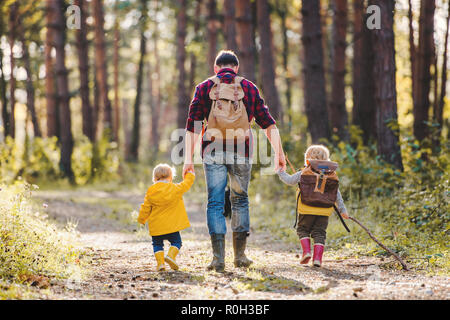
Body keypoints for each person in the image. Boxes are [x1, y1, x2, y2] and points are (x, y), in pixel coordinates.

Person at [183, 50, 286, 272]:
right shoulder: (248, 87)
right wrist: (279, 153)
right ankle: (240, 256)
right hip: (242, 151)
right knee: (240, 200)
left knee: (215, 203)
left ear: (215, 68)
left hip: (212, 151)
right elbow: (267, 123)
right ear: (236, 68)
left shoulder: (204, 88)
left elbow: (193, 126)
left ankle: (218, 259)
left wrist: (187, 159)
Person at [277, 145, 349, 267]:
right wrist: (343, 210)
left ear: (307, 160)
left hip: (306, 209)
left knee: (302, 230)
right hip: (324, 211)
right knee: (320, 233)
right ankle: (317, 259)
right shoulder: (331, 175)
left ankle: (306, 252)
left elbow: (289, 181)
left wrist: (280, 171)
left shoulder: (303, 173)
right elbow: (337, 194)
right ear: (327, 160)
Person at [137, 164, 195, 271]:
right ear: (171, 177)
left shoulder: (151, 191)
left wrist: (141, 219)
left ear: (154, 178)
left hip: (157, 227)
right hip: (172, 226)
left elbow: (145, 207)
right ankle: (171, 256)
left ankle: (160, 264)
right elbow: (186, 184)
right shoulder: (175, 188)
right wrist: (190, 174)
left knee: (157, 244)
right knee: (177, 242)